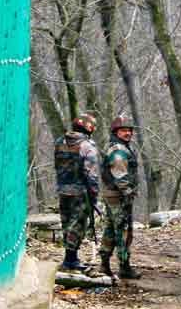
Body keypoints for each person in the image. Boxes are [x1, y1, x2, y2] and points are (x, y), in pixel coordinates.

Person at [54, 113, 100, 271]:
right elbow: (91, 175)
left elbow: (57, 166)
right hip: (80, 192)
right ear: (89, 128)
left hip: (63, 189)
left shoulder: (59, 141)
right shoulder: (87, 146)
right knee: (78, 225)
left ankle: (70, 257)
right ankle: (70, 260)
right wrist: (94, 196)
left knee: (67, 223)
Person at [98, 116, 141, 279]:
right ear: (116, 132)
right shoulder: (118, 151)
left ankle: (104, 264)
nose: (128, 133)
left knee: (110, 229)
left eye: (129, 130)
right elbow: (120, 175)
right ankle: (124, 266)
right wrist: (128, 193)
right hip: (119, 196)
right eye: (123, 130)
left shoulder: (120, 147)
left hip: (113, 195)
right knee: (123, 231)